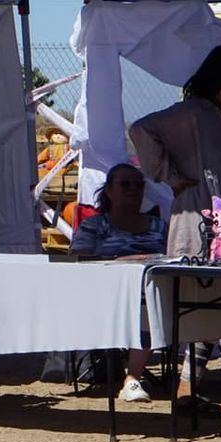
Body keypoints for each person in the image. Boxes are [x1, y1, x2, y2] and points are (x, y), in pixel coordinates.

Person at [129, 44, 221, 421]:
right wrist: (171, 177)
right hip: (200, 231)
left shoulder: (212, 116)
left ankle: (191, 391)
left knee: (214, 307)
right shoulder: (192, 115)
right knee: (215, 305)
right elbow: (141, 129)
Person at [67, 162, 165, 402]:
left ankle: (136, 378)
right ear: (109, 191)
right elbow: (76, 261)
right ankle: (132, 378)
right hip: (106, 296)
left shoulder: (159, 226)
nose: (133, 189)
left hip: (152, 293)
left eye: (138, 184)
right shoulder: (95, 225)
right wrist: (123, 260)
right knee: (147, 309)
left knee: (155, 304)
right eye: (125, 184)